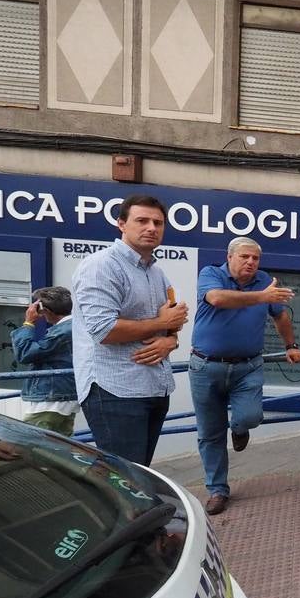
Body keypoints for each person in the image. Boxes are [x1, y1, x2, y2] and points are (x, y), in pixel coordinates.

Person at [72, 195, 189, 466]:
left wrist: (170, 341)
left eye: (158, 222)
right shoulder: (101, 266)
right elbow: (104, 330)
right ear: (121, 224)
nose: (151, 228)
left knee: (137, 474)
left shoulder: (156, 272)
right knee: (124, 478)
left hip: (154, 386)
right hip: (115, 390)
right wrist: (161, 324)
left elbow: (174, 320)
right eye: (142, 220)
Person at [191, 237, 300, 516]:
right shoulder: (211, 274)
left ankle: (240, 428)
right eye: (245, 257)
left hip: (248, 366)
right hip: (206, 367)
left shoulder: (264, 279)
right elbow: (217, 298)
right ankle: (217, 490)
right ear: (230, 257)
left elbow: (281, 316)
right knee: (209, 432)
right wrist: (262, 296)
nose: (251, 262)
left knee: (251, 415)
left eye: (255, 258)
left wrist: (291, 345)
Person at [10, 285, 77, 435]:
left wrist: (28, 323)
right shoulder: (73, 326)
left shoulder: (63, 331)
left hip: (53, 398)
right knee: (58, 445)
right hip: (64, 395)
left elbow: (25, 354)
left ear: (43, 309)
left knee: (28, 441)